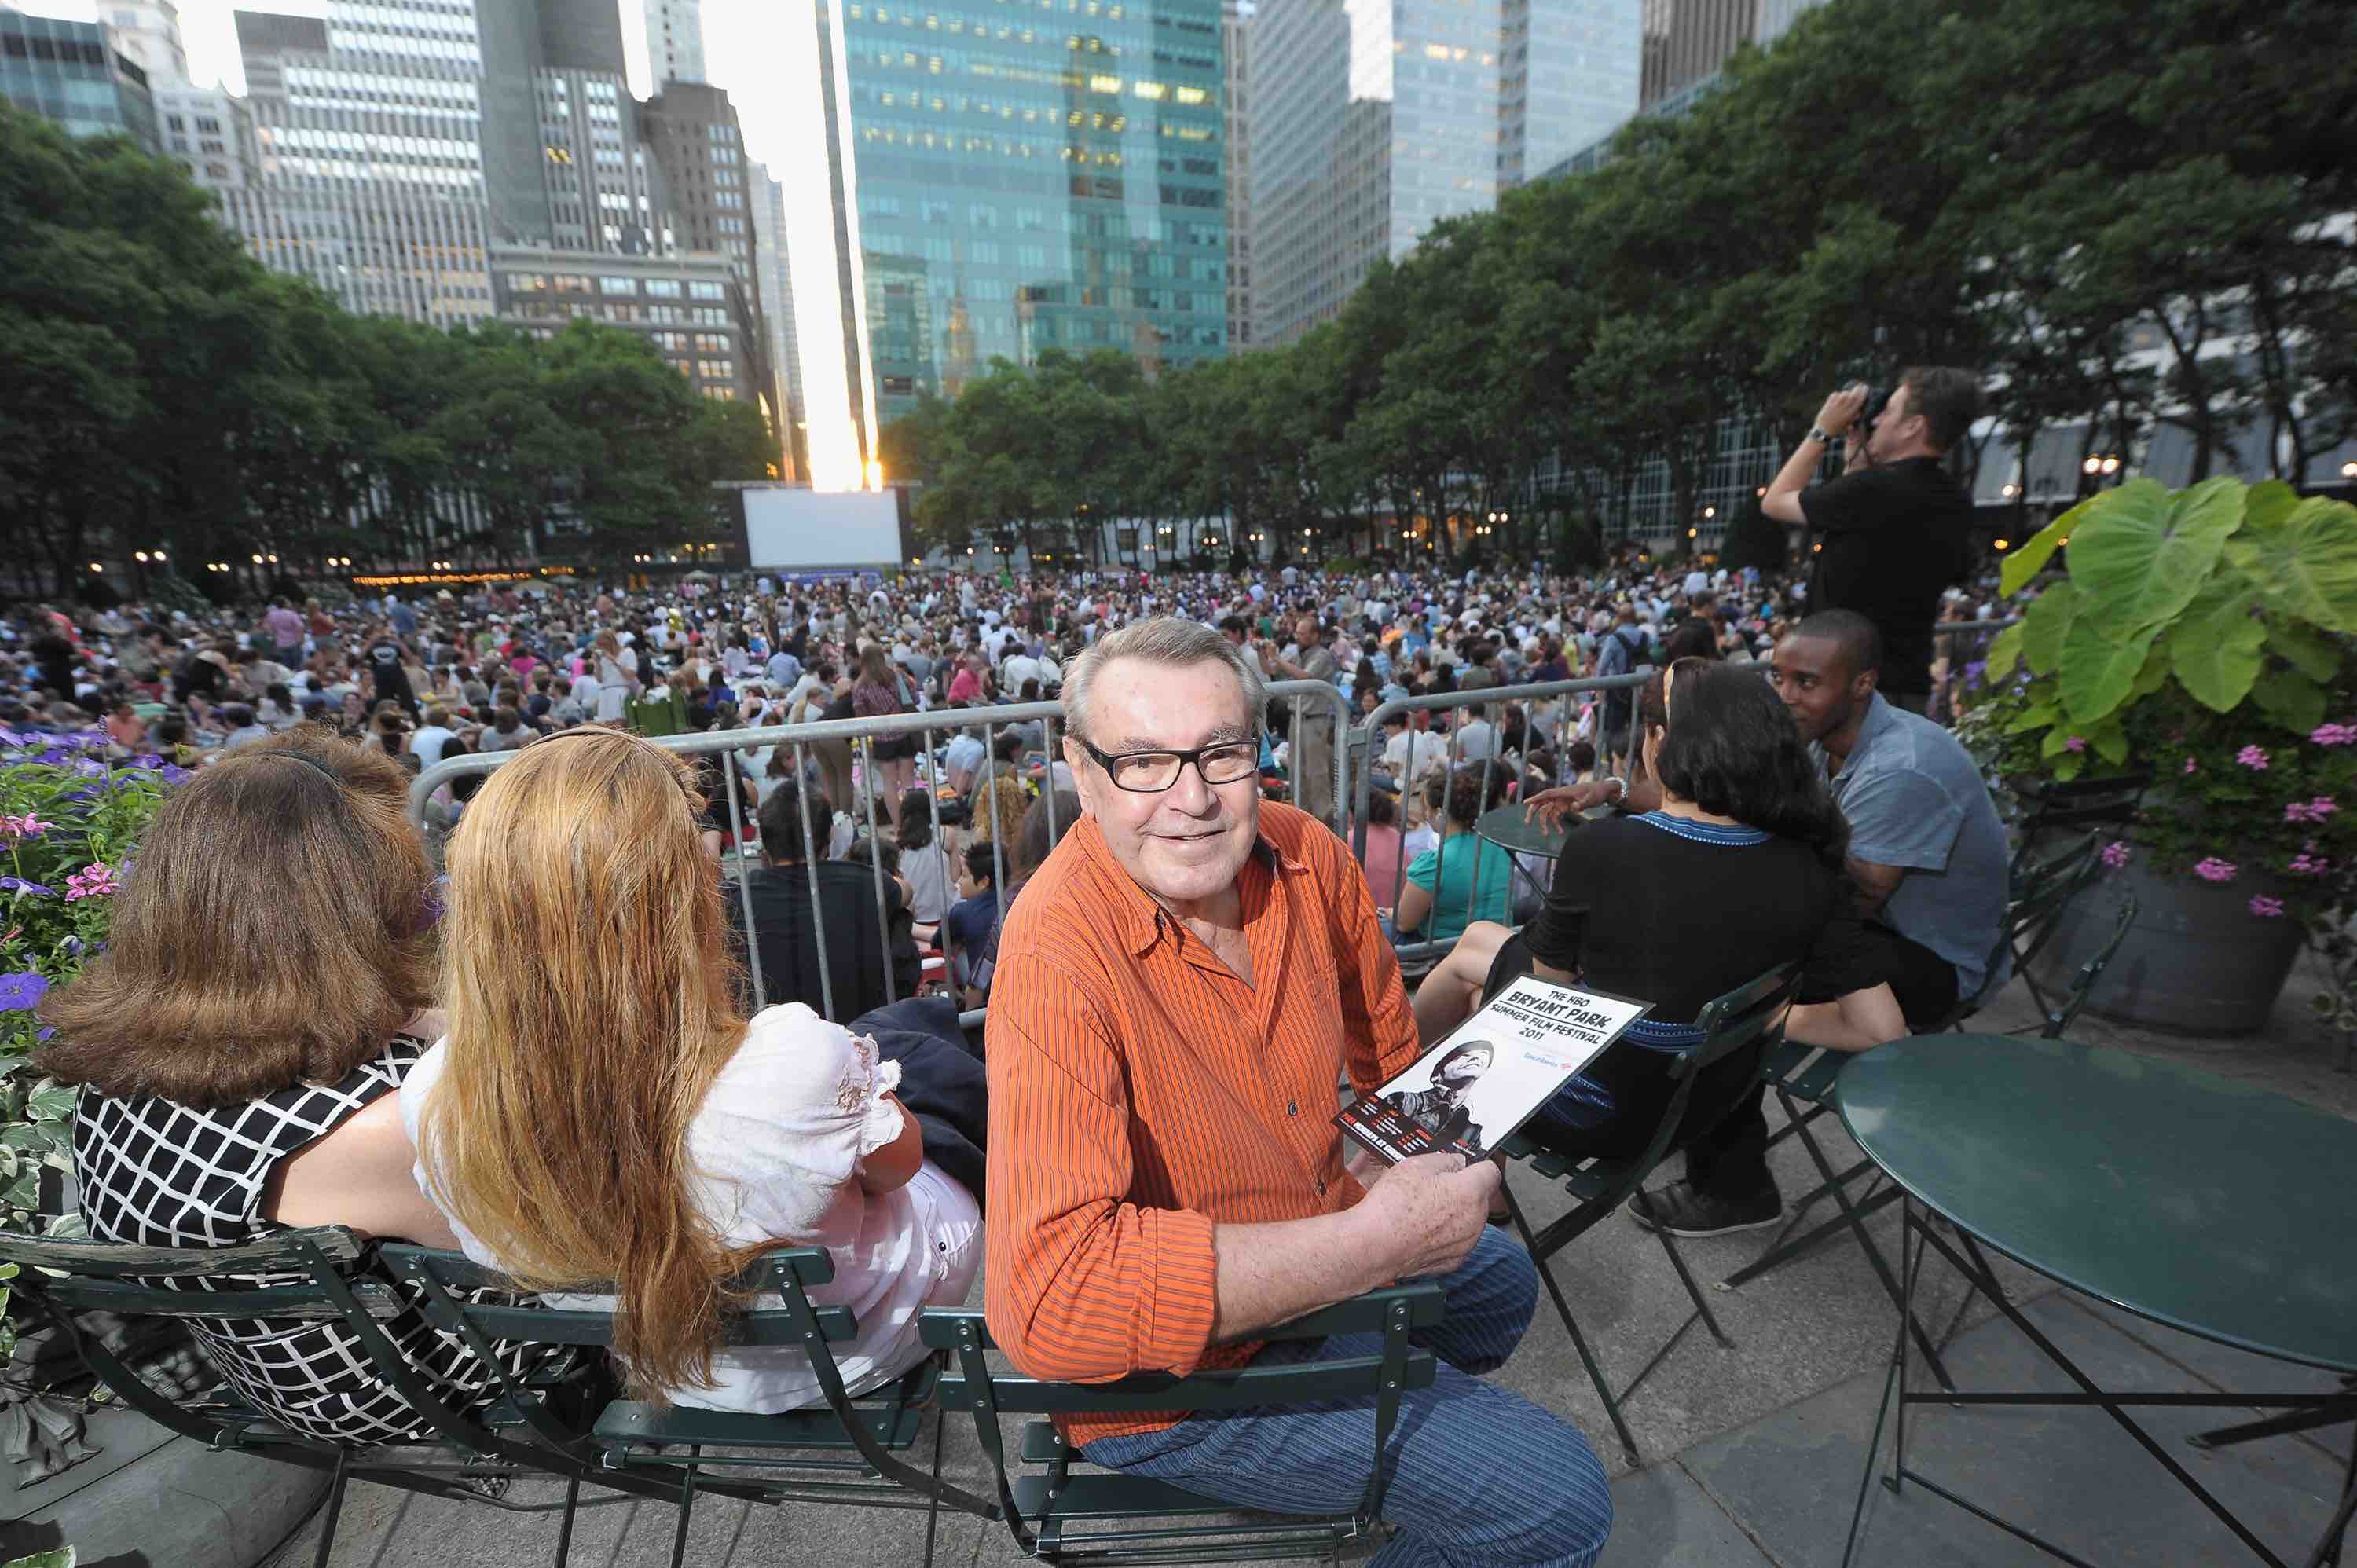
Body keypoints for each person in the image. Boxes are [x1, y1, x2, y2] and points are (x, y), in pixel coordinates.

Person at [986, 616, 1611, 1568]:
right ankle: (1390, 1436)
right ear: (1081, 767)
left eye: (1221, 752)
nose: (1192, 798)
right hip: (1175, 1385)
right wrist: (1376, 1242)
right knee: (1559, 1505)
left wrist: (1418, 1157)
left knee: (1501, 1290)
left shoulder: (1307, 853)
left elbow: (1386, 1040)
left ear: (1258, 749)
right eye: (1143, 761)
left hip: (1310, 1221)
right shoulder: (1053, 956)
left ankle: (1385, 1431)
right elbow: (1051, 1305)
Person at [404, 728, 980, 1413]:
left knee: (894, 1054)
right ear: (680, 898)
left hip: (675, 1370)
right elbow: (899, 1168)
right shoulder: (789, 1059)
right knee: (923, 1073)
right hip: (859, 1345)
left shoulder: (434, 1097)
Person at [39, 731, 526, 1443]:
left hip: (265, 1377)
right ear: (351, 923)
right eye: (413, 900)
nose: (425, 914)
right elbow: (532, 1260)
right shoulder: (375, 1123)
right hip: (424, 1390)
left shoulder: (116, 1068)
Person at [1424, 660, 1908, 1236]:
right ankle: (1470, 1174)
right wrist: (1759, 1019)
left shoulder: (1606, 848)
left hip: (1605, 1114)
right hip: (1703, 1102)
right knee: (1479, 944)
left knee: (1477, 979)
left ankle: (1412, 1119)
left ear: (1659, 744)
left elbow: (1542, 996)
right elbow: (1882, 1029)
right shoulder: (1809, 864)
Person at [1769, 610, 2009, 1028]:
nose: (1785, 697)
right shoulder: (1822, 737)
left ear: (1862, 684)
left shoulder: (1901, 767)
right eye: (1778, 677)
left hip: (1935, 964)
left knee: (1741, 959)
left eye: (1806, 682)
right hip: (1885, 930)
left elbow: (1856, 901)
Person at [1761, 368, 1981, 711]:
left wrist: (1821, 431)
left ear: (1913, 426)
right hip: (1905, 684)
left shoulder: (1874, 490)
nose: (1876, 420)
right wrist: (1858, 465)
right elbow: (1866, 546)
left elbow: (1774, 502)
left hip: (1841, 690)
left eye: (1889, 411)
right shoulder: (1955, 499)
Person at [730, 781, 922, 1020]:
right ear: (830, 834)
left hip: (769, 1025)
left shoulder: (737, 894)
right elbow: (906, 892)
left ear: (765, 839)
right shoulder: (864, 881)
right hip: (853, 1022)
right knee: (896, 914)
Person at [1391, 766, 1515, 946]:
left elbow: (1404, 923)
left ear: (1439, 814)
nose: (1425, 815)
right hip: (1502, 942)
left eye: (1427, 809)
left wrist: (1390, 913)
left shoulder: (1435, 863)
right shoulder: (1500, 847)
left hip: (1449, 947)